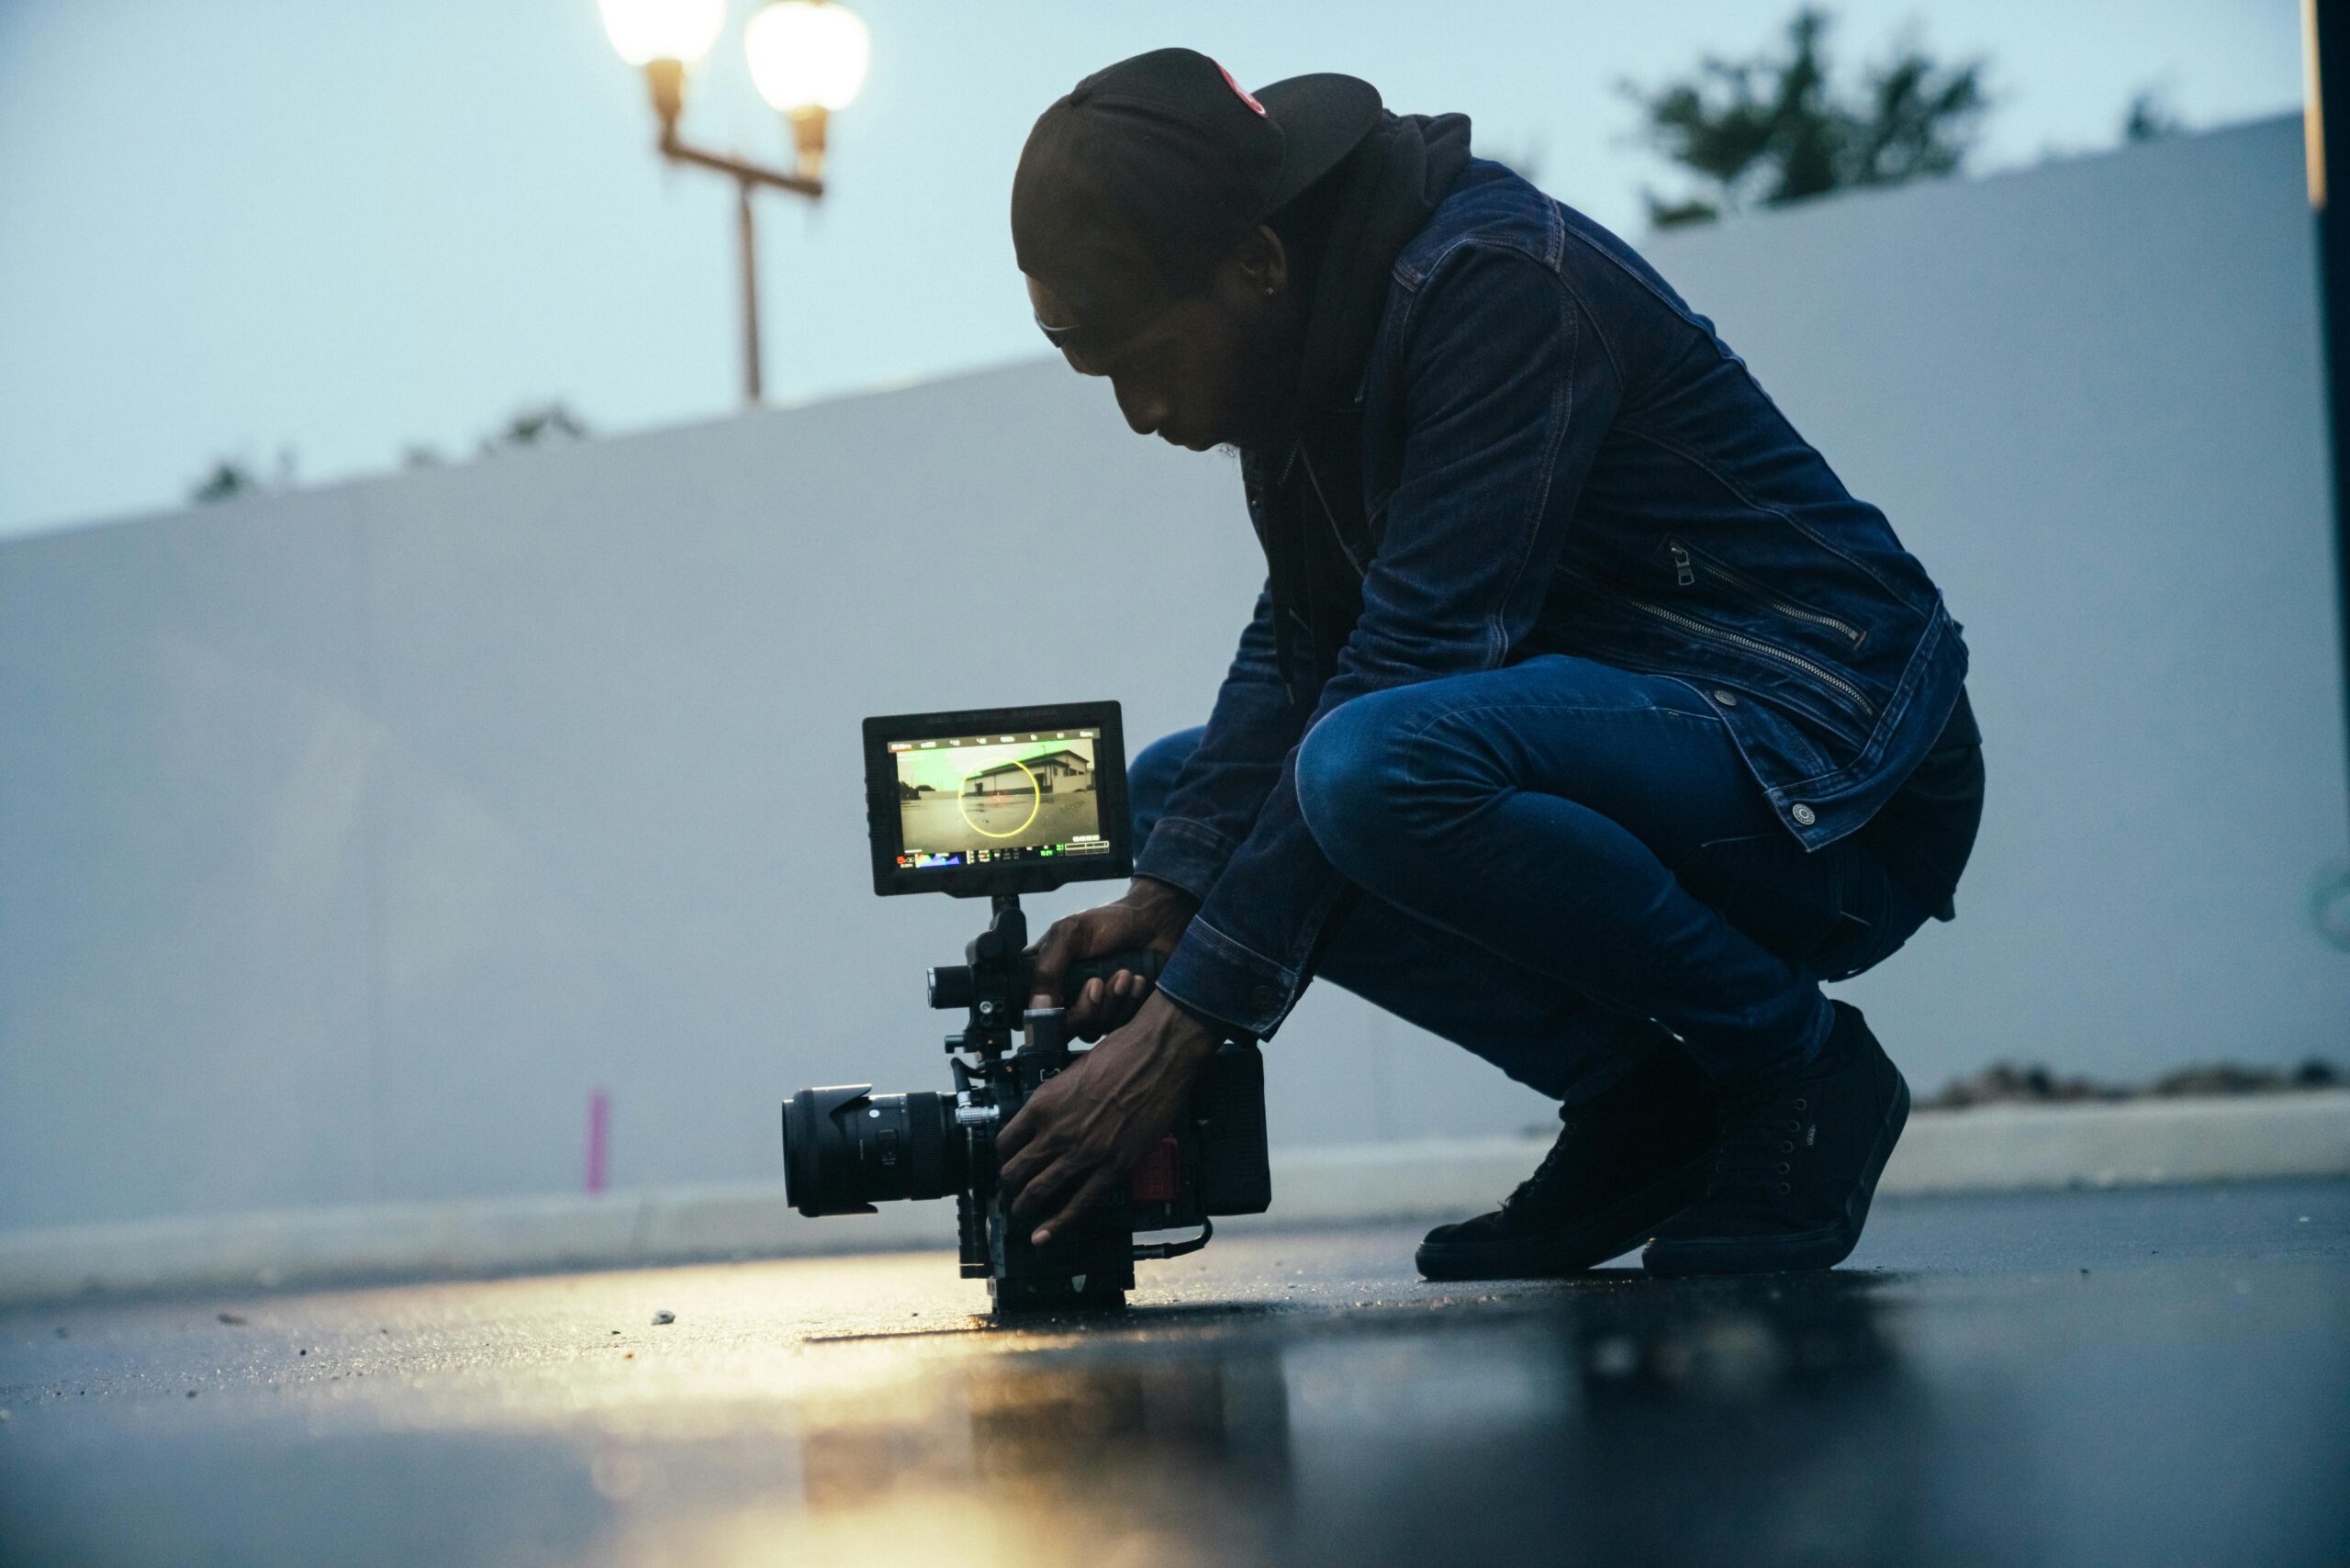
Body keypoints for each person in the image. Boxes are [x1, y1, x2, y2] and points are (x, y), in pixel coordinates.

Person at [992, 48, 1985, 1279]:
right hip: (1664, 752)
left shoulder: (1495, 281)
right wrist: (1170, 895)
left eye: (1145, 358)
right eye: (1102, 376)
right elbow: (1305, 642)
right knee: (1182, 797)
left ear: (1256, 264)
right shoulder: (1303, 347)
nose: (1139, 410)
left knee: (1367, 766)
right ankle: (1644, 1108)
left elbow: (1408, 658)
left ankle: (1798, 1066)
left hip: (1841, 777)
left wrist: (1183, 1026)